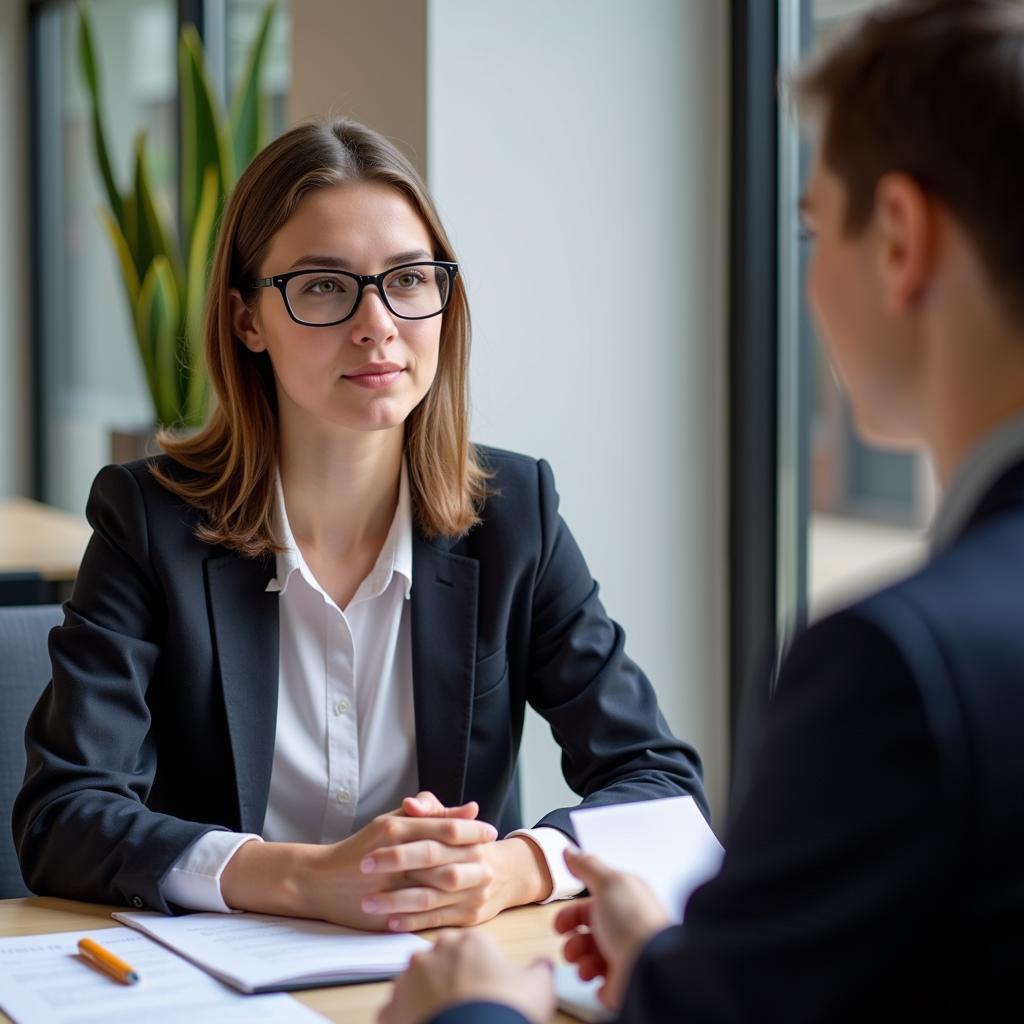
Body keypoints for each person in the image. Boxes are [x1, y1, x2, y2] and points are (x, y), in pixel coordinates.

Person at [379, 0, 1024, 1018]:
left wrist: (472, 1007)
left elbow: (654, 774)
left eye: (811, 228)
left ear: (899, 238)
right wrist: (677, 966)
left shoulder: (898, 669)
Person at [13, 118, 706, 931]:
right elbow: (63, 814)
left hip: (438, 972)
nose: (377, 322)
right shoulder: (149, 519)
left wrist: (510, 867)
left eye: (409, 279)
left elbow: (662, 787)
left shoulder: (517, 515)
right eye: (322, 286)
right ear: (247, 321)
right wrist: (300, 879)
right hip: (217, 987)